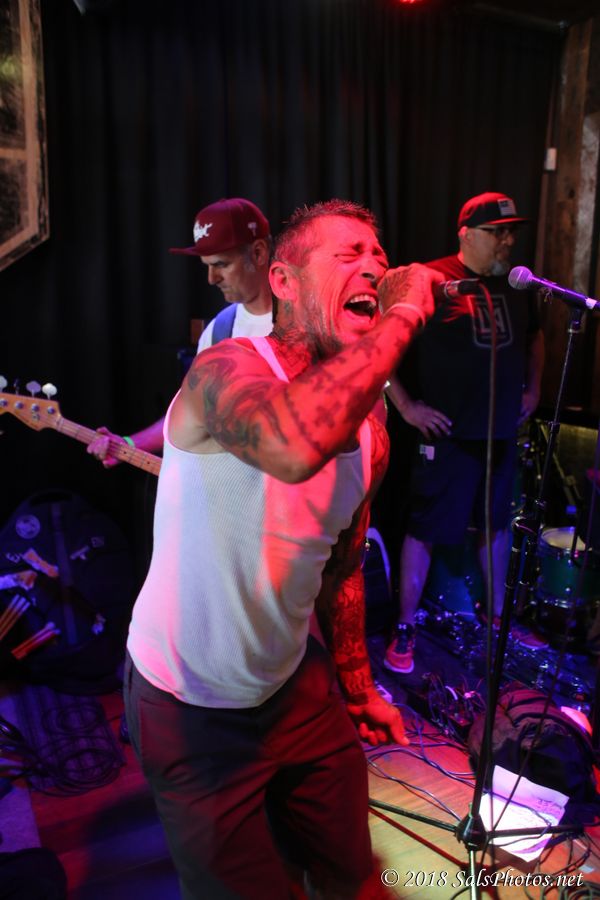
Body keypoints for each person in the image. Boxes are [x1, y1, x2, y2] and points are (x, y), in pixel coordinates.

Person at [122, 199, 441, 899]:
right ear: (285, 281)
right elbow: (292, 445)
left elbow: (342, 570)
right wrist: (403, 314)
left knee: (353, 876)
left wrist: (356, 686)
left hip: (294, 687)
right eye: (349, 254)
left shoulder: (372, 431)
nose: (376, 268)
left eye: (380, 257)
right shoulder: (226, 367)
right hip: (189, 701)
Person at [384, 191, 545, 675]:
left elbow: (535, 336)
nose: (507, 241)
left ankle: (497, 620)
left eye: (510, 232)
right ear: (466, 234)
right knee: (425, 529)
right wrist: (407, 406)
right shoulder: (433, 280)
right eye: (497, 233)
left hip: (500, 432)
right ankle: (405, 626)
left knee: (496, 524)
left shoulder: (519, 284)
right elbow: (380, 346)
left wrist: (534, 389)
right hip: (448, 435)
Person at [88, 197, 274, 465]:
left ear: (258, 253)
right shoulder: (219, 332)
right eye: (207, 266)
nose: (211, 279)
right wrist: (129, 444)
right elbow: (190, 414)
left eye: (221, 264)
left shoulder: (311, 320)